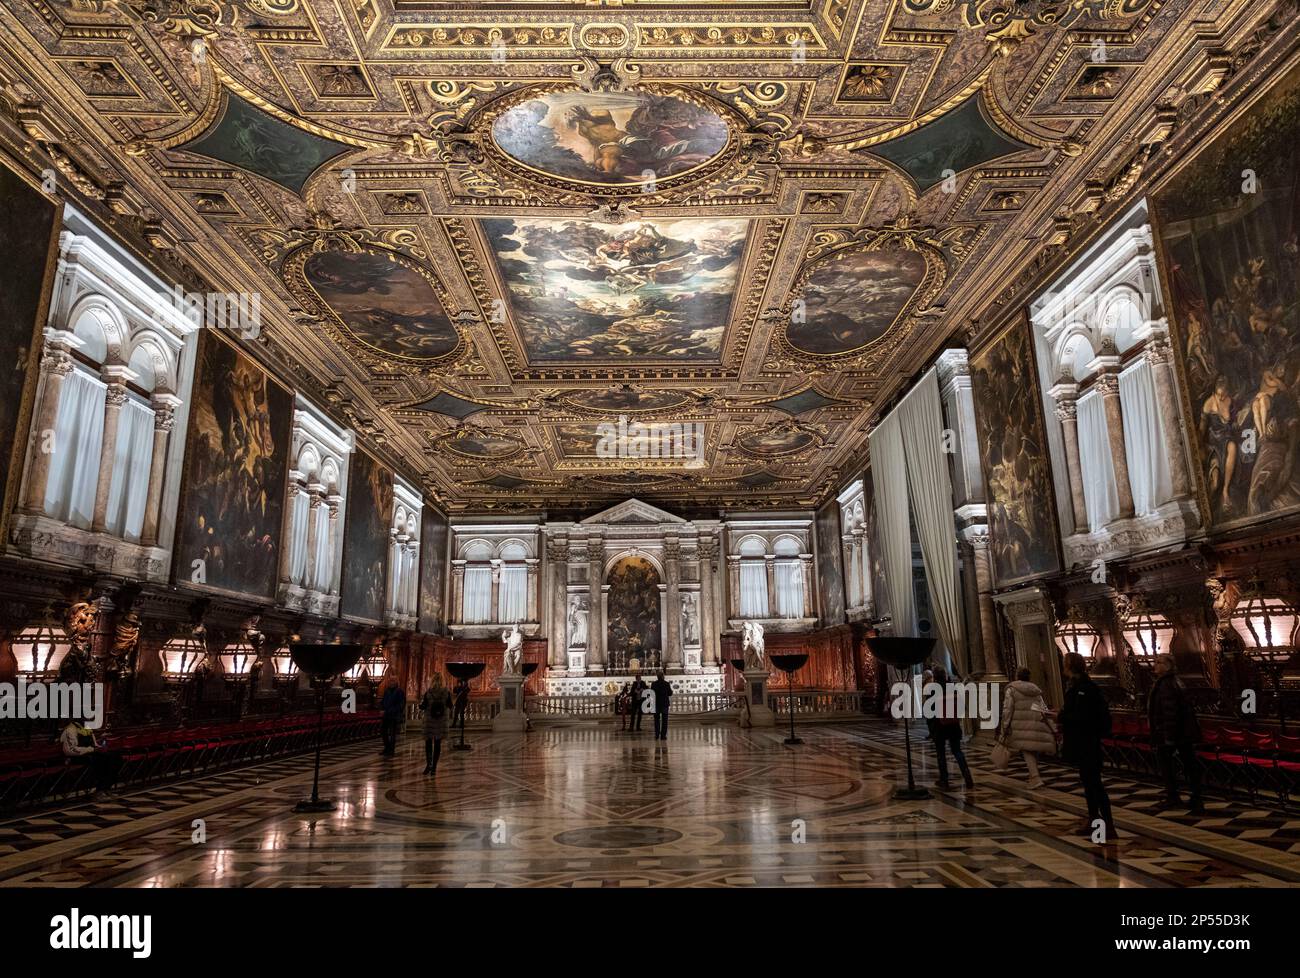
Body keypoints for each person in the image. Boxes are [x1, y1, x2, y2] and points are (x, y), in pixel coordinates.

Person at [1057, 651, 1116, 840]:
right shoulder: (1078, 686)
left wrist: (1060, 716)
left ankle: (1108, 826)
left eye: (1065, 664)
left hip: (1087, 742)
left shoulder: (1085, 688)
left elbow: (1082, 717)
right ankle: (1094, 820)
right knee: (1089, 784)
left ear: (1069, 666)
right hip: (1081, 742)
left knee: (1095, 785)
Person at [1147, 653, 1204, 813]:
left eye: (1159, 662)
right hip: (1182, 732)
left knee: (1168, 766)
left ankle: (1174, 797)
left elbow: (1170, 712)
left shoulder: (1166, 684)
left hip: (1172, 733)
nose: (1155, 665)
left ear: (1168, 665)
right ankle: (1195, 798)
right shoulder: (1174, 681)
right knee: (1189, 765)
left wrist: (1168, 736)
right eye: (1155, 662)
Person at [998, 668, 1056, 788]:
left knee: (1026, 750)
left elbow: (1008, 709)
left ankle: (1035, 777)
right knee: (1032, 748)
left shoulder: (1012, 690)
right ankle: (1033, 775)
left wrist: (1005, 726)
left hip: (1020, 725)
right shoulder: (1035, 690)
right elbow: (1043, 707)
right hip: (1036, 722)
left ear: (1016, 676)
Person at [930, 667, 974, 789]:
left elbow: (930, 710)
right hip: (953, 725)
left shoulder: (933, 689)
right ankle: (966, 773)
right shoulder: (952, 687)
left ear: (934, 676)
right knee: (957, 751)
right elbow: (961, 707)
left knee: (941, 754)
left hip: (939, 726)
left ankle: (944, 780)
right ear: (945, 675)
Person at [60, 720, 122, 795]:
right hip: (75, 756)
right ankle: (100, 790)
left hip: (89, 753)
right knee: (101, 759)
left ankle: (107, 787)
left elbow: (94, 744)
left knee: (115, 756)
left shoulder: (87, 728)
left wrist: (100, 747)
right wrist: (92, 749)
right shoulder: (70, 729)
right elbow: (70, 750)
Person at [419, 674, 454, 776]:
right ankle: (434, 768)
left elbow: (423, 706)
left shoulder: (428, 692)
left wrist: (421, 706)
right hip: (441, 721)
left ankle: (428, 765)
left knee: (428, 744)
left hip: (429, 720)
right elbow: (450, 705)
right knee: (437, 744)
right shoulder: (446, 693)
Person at [379, 677, 406, 757]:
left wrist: (389, 710)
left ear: (396, 682)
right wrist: (382, 708)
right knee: (383, 731)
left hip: (394, 716)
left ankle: (391, 750)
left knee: (392, 734)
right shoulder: (387, 691)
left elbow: (400, 705)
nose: (391, 682)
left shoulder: (399, 692)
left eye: (393, 681)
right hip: (386, 715)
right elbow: (383, 701)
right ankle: (387, 747)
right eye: (390, 681)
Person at [650, 671, 672, 740]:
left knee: (656, 720)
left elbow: (651, 694)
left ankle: (657, 734)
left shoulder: (654, 684)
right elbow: (670, 693)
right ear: (663, 676)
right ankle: (663, 735)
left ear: (657, 677)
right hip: (664, 704)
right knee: (664, 720)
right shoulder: (666, 684)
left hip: (656, 704)